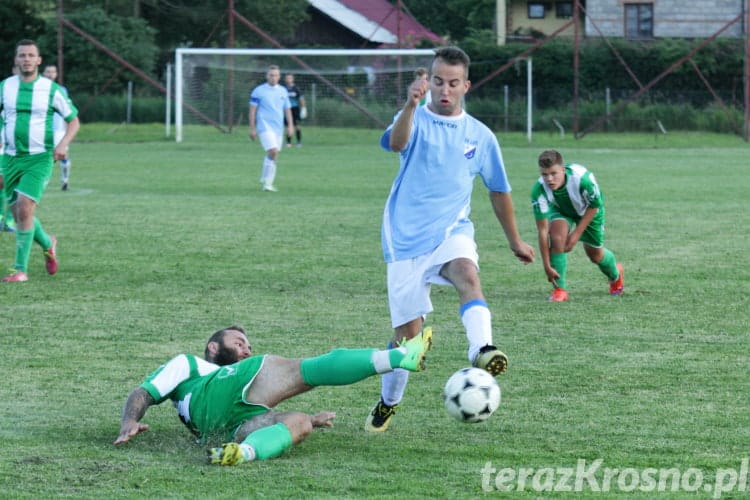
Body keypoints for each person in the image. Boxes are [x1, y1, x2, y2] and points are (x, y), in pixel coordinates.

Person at [365, 46, 535, 433]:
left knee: (467, 274)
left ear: (466, 86)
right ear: (428, 80)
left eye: (453, 83)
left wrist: (515, 240)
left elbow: (498, 190)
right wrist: (410, 105)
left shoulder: (480, 135)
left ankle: (481, 349)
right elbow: (396, 143)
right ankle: (389, 402)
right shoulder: (415, 118)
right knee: (408, 344)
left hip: (452, 230)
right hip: (405, 239)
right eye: (438, 81)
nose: (445, 89)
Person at [114, 325, 432, 466]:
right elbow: (144, 392)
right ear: (213, 347)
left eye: (248, 346)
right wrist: (129, 419)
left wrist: (311, 419)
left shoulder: (238, 379)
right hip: (212, 395)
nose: (246, 349)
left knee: (298, 423)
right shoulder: (190, 364)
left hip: (224, 429)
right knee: (304, 371)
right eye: (238, 342)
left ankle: (241, 454)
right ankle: (401, 357)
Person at [0, 39, 79, 282]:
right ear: (16, 60)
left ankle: (19, 270)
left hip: (40, 158)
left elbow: (73, 121)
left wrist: (63, 144)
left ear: (39, 60)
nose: (26, 59)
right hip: (10, 157)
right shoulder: (5, 87)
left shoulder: (51, 89)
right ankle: (48, 242)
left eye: (30, 55)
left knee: (24, 208)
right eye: (22, 55)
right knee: (17, 211)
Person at [530, 149, 624, 302]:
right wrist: (546, 266)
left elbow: (594, 206)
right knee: (556, 238)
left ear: (563, 169)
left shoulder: (583, 179)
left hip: (589, 210)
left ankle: (616, 275)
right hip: (561, 209)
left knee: (595, 255)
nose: (549, 179)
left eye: (554, 173)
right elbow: (542, 231)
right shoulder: (539, 190)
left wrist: (576, 235)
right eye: (544, 174)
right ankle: (560, 290)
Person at [249, 65, 294, 192]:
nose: (273, 77)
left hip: (278, 128)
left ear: (279, 77)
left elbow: (287, 110)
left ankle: (266, 180)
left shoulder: (283, 91)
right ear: (266, 76)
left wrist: (290, 126)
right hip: (264, 126)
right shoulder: (258, 91)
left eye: (275, 75)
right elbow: (252, 111)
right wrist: (252, 128)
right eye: (271, 75)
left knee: (274, 155)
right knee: (273, 151)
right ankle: (267, 183)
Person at [41, 64, 72, 191]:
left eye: (53, 72)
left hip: (59, 130)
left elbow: (68, 112)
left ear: (56, 74)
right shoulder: (39, 89)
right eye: (48, 71)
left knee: (62, 156)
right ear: (43, 73)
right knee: (43, 157)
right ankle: (41, 182)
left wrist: (67, 131)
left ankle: (65, 180)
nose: (50, 74)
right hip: (42, 129)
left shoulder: (61, 90)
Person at [282, 73, 306, 147]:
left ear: (293, 79)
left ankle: (299, 142)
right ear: (285, 79)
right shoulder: (283, 89)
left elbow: (301, 99)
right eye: (287, 78)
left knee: (297, 125)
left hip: (295, 108)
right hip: (286, 109)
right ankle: (288, 142)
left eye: (290, 78)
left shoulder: (296, 89)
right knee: (288, 126)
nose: (288, 79)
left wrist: (303, 108)